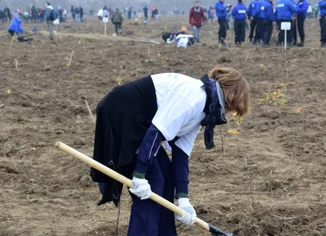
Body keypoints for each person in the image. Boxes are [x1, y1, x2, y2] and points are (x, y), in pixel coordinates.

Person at [91, 67, 250, 236]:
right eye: (232, 109)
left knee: (166, 178)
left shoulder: (204, 109)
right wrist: (139, 176)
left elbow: (181, 154)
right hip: (123, 112)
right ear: (230, 97)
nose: (229, 113)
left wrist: (183, 199)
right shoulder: (194, 98)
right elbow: (156, 132)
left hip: (142, 125)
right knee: (153, 183)